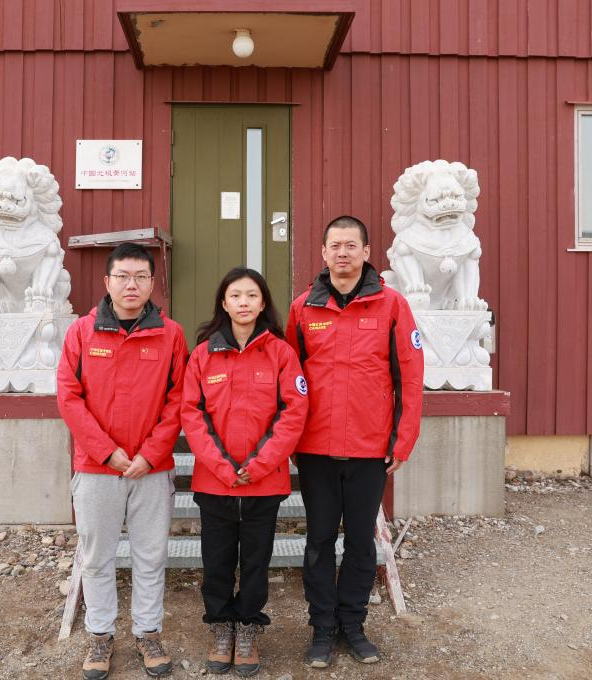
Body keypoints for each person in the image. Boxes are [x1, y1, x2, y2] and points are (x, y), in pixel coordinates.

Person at [285, 216, 424, 668]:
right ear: (323, 254)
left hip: (369, 449)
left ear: (367, 252)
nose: (342, 253)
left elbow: (410, 376)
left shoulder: (392, 306)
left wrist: (402, 440)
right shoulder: (303, 308)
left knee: (362, 543)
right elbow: (290, 380)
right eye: (334, 246)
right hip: (316, 448)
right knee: (320, 541)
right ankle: (323, 628)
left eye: (351, 246)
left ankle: (354, 625)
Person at [56, 243, 189, 680]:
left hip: (152, 469)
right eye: (123, 276)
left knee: (151, 556)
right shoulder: (82, 332)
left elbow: (179, 400)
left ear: (153, 284)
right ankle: (99, 635)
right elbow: (69, 398)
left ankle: (148, 632)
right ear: (107, 282)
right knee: (97, 556)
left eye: (140, 277)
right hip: (97, 469)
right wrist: (105, 451)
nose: (131, 285)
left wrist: (151, 454)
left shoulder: (171, 334)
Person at [181, 267, 309, 677]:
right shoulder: (203, 354)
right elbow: (191, 414)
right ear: (223, 302)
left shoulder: (280, 353)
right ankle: (221, 628)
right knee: (216, 562)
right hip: (214, 483)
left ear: (262, 302)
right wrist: (221, 467)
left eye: (251, 295)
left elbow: (294, 412)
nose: (243, 303)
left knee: (256, 563)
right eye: (235, 295)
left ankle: (249, 628)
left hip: (264, 483)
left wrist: (258, 466)